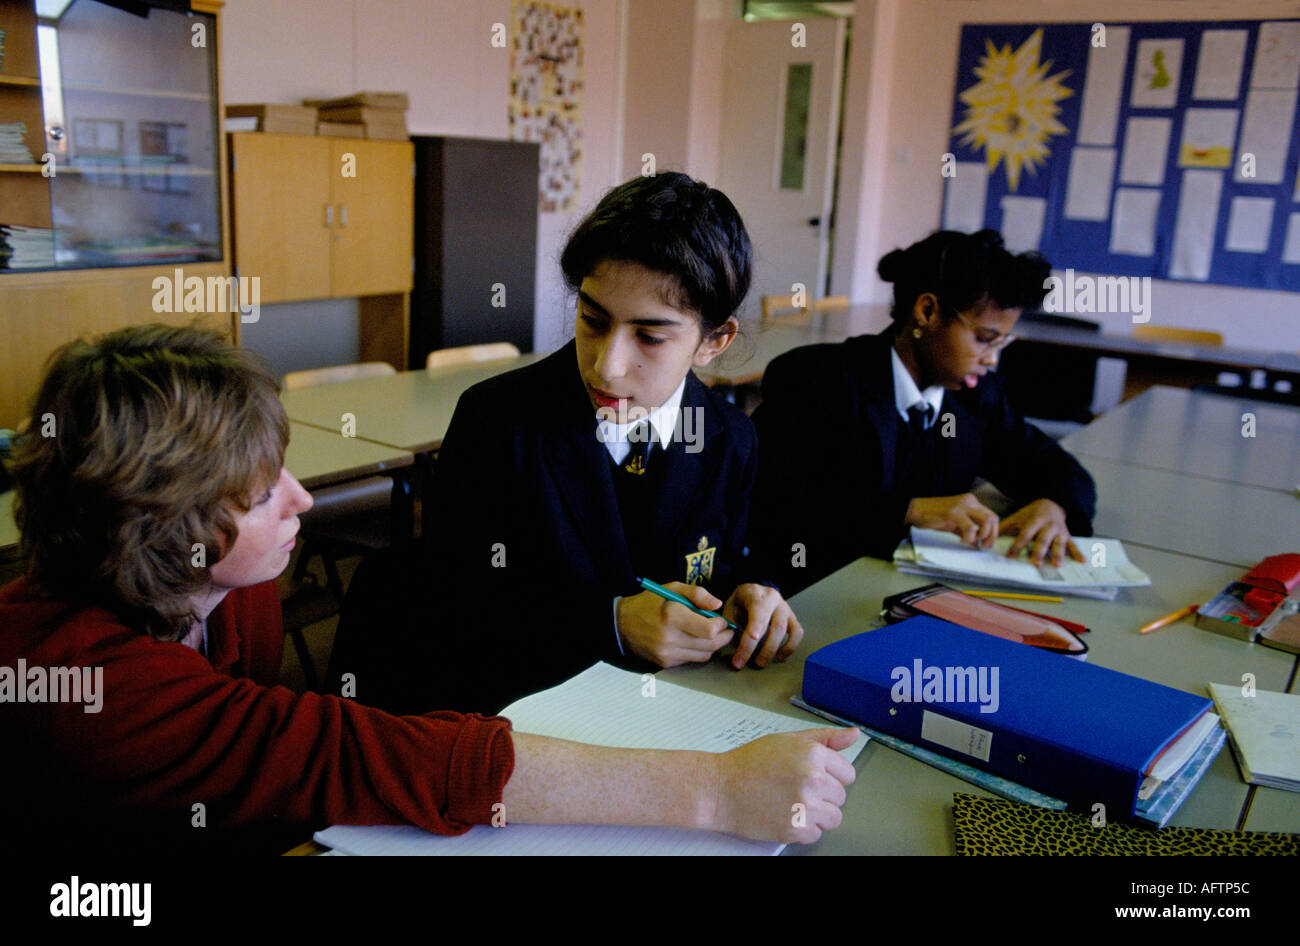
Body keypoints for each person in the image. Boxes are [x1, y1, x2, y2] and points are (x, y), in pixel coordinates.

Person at [0, 325, 855, 855]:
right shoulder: (82, 682)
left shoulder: (227, 581)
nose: (303, 499)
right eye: (261, 494)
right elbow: (351, 754)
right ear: (164, 529)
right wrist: (715, 791)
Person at [331, 172, 803, 716]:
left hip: (676, 711)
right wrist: (612, 624)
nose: (607, 365)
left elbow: (718, 564)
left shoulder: (730, 437)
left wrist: (748, 593)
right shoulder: (499, 421)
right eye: (592, 320)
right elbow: (455, 606)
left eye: (649, 337)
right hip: (525, 715)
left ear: (714, 341)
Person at [748, 229, 1097, 595]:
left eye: (1001, 342)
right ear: (927, 311)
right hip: (812, 595)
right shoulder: (819, 380)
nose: (991, 359)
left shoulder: (975, 395)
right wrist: (907, 510)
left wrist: (1054, 506)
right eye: (983, 338)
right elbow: (773, 506)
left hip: (922, 594)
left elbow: (1049, 463)